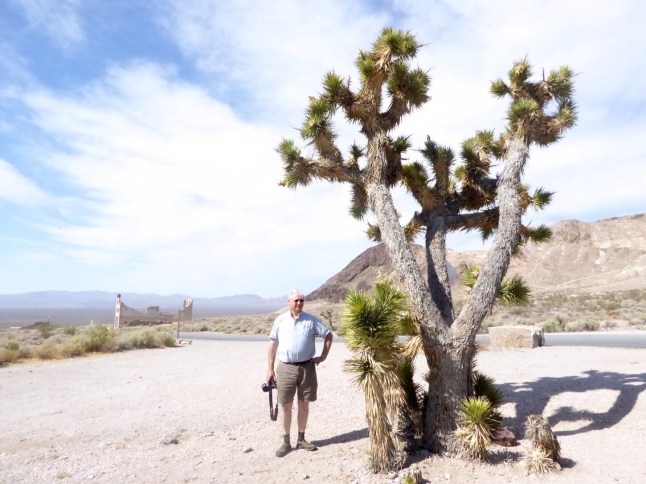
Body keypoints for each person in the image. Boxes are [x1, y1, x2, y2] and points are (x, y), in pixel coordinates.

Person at [266, 289, 333, 458]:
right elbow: (273, 344)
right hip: (285, 368)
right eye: (295, 300)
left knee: (304, 405)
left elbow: (328, 335)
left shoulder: (311, 320)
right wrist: (270, 369)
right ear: (289, 302)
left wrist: (323, 356)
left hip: (307, 368)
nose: (299, 303)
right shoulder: (280, 320)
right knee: (285, 405)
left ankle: (301, 439)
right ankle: (286, 442)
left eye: (301, 300)